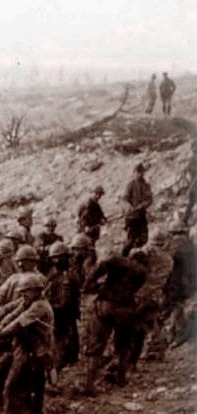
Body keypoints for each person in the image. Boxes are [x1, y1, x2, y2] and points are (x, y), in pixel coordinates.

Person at [0, 273, 54, 414]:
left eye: (25, 291)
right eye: (21, 292)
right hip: (21, 348)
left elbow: (18, 324)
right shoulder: (27, 302)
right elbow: (11, 314)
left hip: (36, 352)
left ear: (36, 291)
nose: (22, 295)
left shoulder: (39, 306)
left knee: (13, 386)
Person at [81, 253, 146, 395]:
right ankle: (121, 378)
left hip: (106, 305)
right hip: (126, 309)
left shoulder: (119, 261)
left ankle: (89, 384)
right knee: (123, 345)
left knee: (96, 345)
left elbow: (101, 265)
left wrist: (89, 284)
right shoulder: (142, 272)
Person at [128, 231, 173, 363]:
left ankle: (131, 353)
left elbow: (133, 256)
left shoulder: (148, 252)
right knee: (152, 321)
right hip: (156, 294)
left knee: (136, 323)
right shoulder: (168, 260)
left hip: (141, 293)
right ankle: (156, 350)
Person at [44, 241, 81, 375]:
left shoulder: (66, 275)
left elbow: (65, 301)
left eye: (58, 257)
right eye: (54, 257)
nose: (56, 260)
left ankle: (55, 372)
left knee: (63, 343)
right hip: (60, 314)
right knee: (62, 343)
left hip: (62, 314)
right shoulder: (56, 273)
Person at [123, 164, 153, 256]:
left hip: (141, 215)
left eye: (141, 172)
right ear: (134, 173)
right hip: (131, 217)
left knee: (143, 238)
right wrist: (128, 206)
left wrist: (143, 205)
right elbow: (125, 199)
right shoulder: (130, 185)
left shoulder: (146, 185)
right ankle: (126, 257)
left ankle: (139, 256)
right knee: (131, 239)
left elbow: (149, 200)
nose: (139, 175)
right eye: (137, 172)